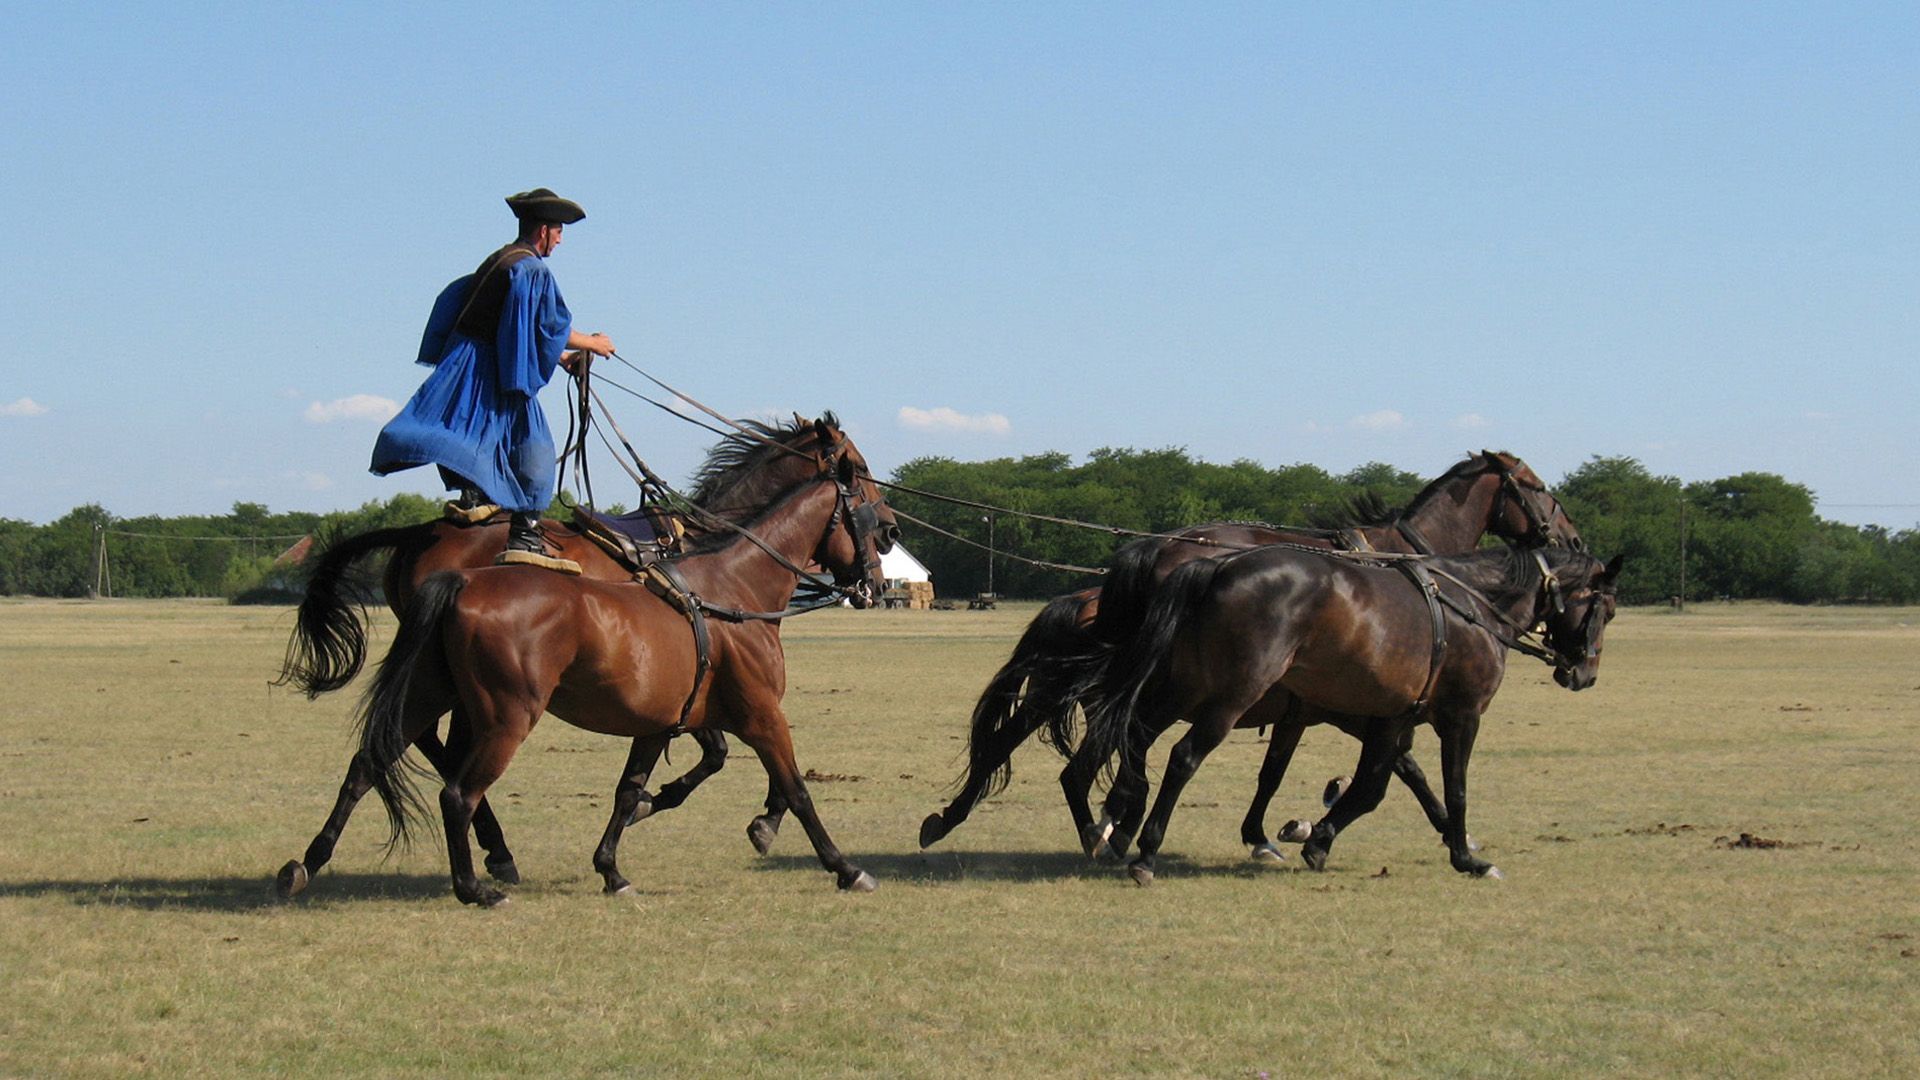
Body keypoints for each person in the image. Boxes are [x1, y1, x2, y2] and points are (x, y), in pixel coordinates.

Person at [370, 188, 615, 574]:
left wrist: (564, 359)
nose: (561, 240)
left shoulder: (498, 261)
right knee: (533, 448)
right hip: (490, 371)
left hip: (469, 361)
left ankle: (474, 496)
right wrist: (592, 344)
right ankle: (525, 535)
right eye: (559, 231)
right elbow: (545, 325)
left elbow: (514, 329)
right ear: (544, 231)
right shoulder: (531, 269)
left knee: (469, 435)